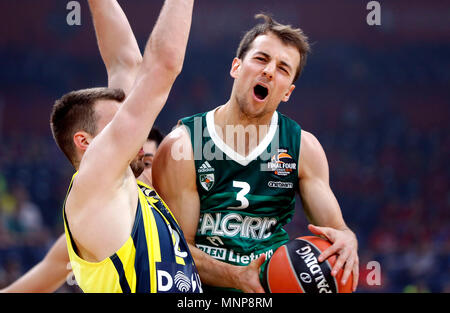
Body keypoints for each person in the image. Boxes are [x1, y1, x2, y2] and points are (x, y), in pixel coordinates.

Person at [152, 14, 359, 293]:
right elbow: (176, 252)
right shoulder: (183, 145)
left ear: (288, 92)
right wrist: (237, 276)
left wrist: (347, 239)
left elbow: (336, 230)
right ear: (236, 67)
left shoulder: (303, 148)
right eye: (261, 59)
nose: (270, 71)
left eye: (283, 69)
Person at [50, 0, 197, 293]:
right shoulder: (94, 184)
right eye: (118, 123)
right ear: (85, 142)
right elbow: (164, 65)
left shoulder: (125, 186)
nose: (136, 131)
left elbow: (127, 61)